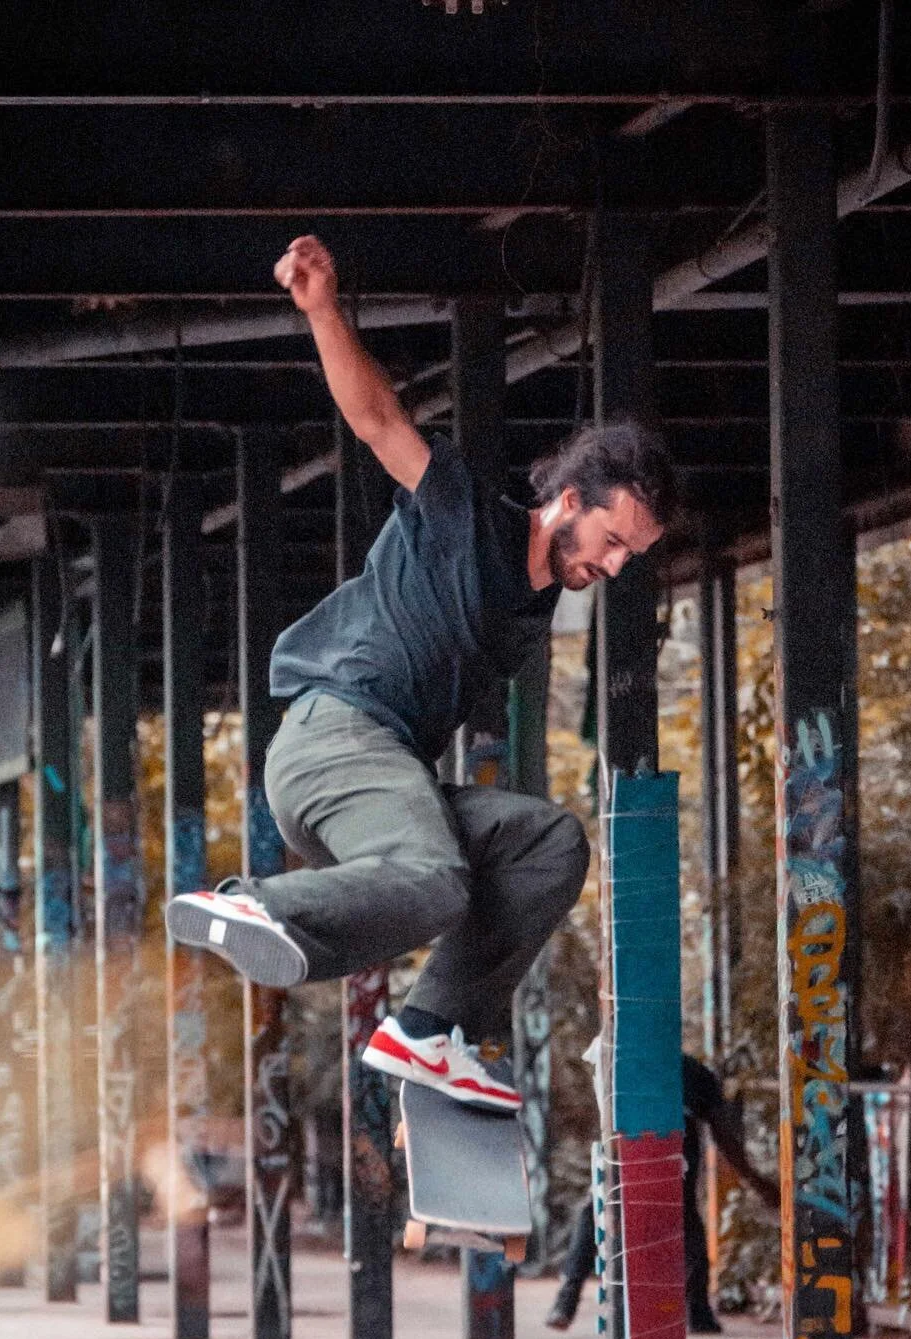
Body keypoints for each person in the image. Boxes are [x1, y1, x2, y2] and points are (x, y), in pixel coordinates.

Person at [167, 234, 676, 1112]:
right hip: (333, 738)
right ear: (567, 502)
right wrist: (323, 308)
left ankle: (430, 1029)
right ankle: (252, 903)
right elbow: (378, 422)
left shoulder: (531, 606)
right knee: (436, 878)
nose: (618, 565)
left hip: (381, 782)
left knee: (546, 843)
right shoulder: (465, 513)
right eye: (613, 540)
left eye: (634, 554)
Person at [546, 1054, 779, 1335]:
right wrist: (756, 1181)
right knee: (685, 1221)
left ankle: (566, 1300)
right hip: (667, 1144)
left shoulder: (627, 1061)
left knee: (595, 1209)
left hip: (637, 1141)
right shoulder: (691, 1071)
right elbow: (724, 1137)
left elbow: (722, 1134)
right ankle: (698, 1311)